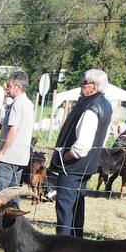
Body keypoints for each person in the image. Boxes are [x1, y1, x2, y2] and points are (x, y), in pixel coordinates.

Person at [48, 68, 112, 237]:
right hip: (85, 167)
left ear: (95, 87)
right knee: (76, 208)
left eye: (84, 82)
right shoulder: (104, 104)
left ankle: (63, 247)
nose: (80, 85)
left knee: (65, 209)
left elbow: (82, 146)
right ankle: (76, 245)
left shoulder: (91, 107)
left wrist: (63, 157)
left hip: (73, 167)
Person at [0, 70, 33, 204]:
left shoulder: (17, 104)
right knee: (13, 194)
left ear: (18, 87)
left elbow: (13, 130)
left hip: (9, 157)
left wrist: (0, 153)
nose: (7, 88)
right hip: (21, 157)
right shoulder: (28, 103)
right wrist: (1, 125)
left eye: (9, 86)